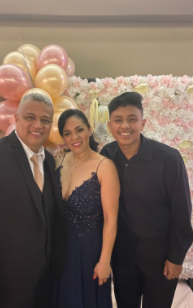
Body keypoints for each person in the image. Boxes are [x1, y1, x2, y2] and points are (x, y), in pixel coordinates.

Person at [0, 93, 66, 308]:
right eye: (30, 117)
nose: (38, 124)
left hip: (42, 283)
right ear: (16, 119)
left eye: (45, 120)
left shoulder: (48, 160)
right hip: (1, 286)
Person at [100, 92, 193, 308]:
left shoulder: (168, 158)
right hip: (122, 256)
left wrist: (176, 257)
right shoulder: (106, 156)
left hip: (160, 257)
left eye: (132, 119)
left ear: (143, 122)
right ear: (110, 125)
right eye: (118, 120)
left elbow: (181, 211)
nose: (125, 126)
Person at [49, 109, 120, 308]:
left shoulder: (104, 166)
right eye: (67, 133)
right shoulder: (60, 160)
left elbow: (111, 219)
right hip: (60, 248)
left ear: (89, 130)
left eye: (79, 130)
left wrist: (105, 261)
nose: (74, 137)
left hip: (89, 250)